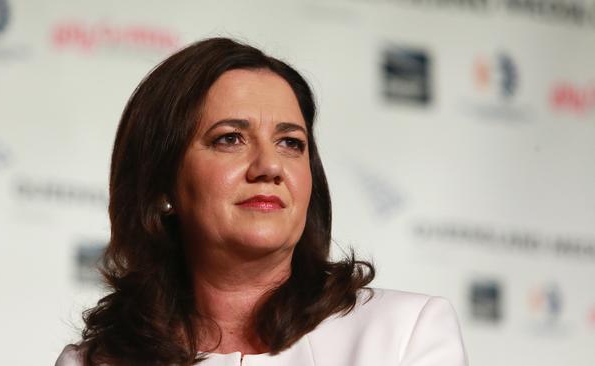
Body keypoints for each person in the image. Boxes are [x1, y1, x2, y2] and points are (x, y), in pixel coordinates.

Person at [56, 37, 467, 366]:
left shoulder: (404, 335)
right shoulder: (95, 362)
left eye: (290, 142)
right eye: (230, 139)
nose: (269, 166)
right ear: (162, 182)